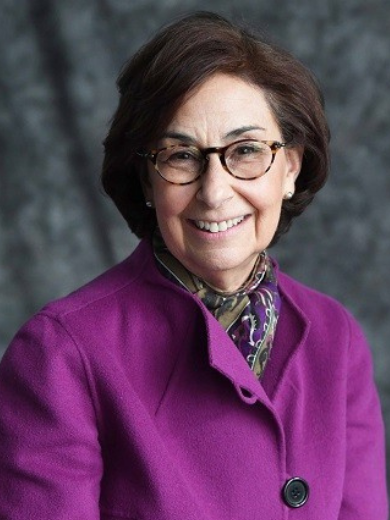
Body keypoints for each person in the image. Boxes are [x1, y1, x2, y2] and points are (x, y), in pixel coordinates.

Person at [0, 11, 387, 520]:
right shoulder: (57, 354)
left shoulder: (336, 337)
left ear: (290, 167)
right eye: (181, 156)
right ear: (146, 180)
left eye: (246, 150)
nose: (214, 192)